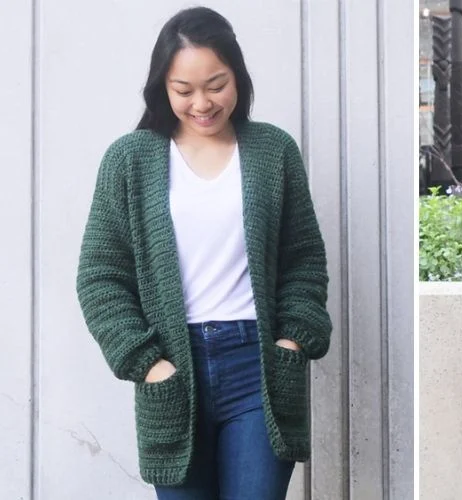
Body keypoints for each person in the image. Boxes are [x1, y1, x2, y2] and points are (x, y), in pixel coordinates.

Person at [76, 7, 331, 499]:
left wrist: (291, 341)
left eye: (215, 84)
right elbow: (100, 275)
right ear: (162, 87)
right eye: (183, 90)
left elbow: (304, 259)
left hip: (257, 364)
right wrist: (148, 362)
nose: (202, 103)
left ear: (237, 75)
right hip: (172, 367)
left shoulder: (272, 151)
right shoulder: (130, 160)